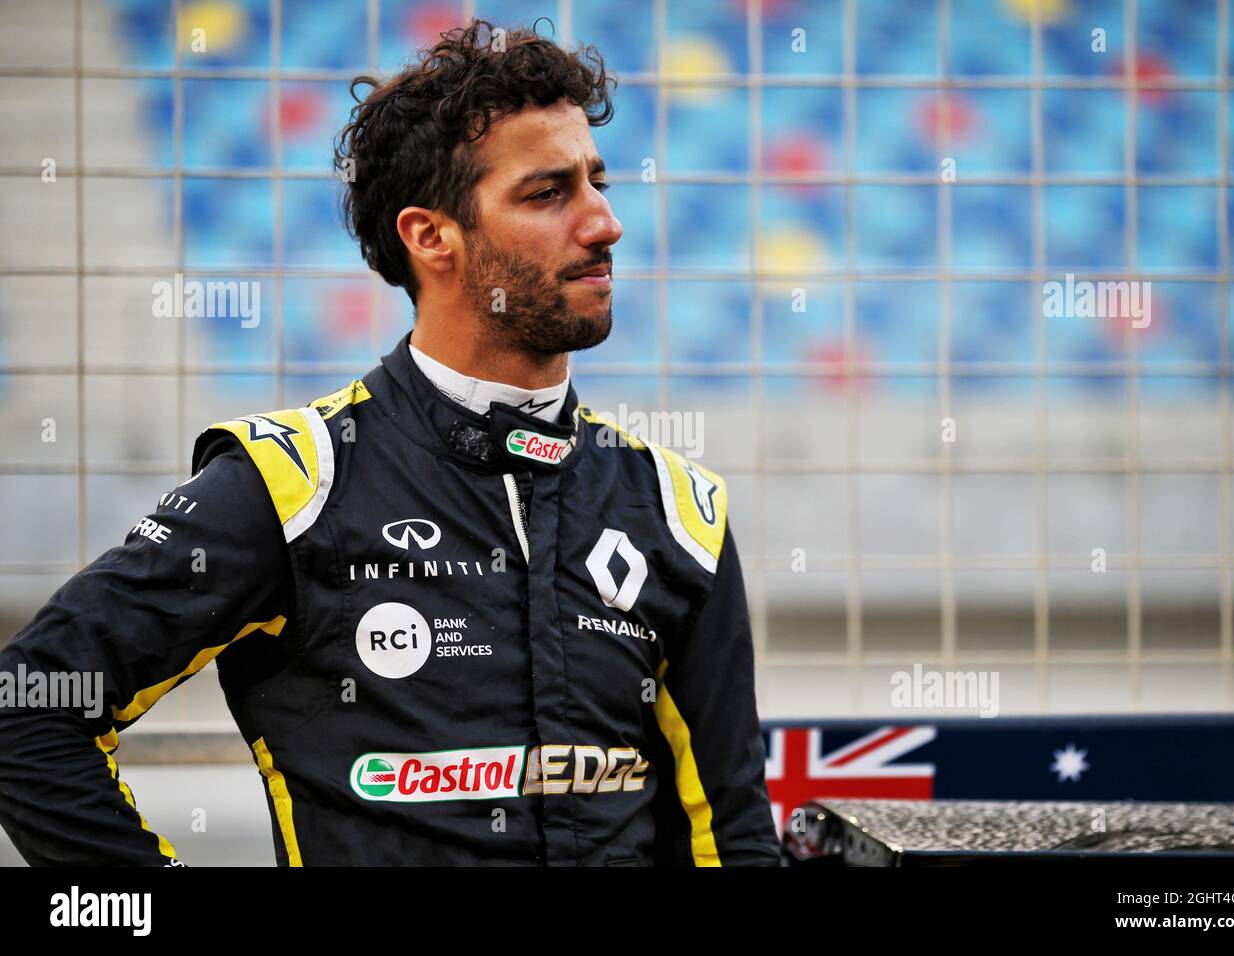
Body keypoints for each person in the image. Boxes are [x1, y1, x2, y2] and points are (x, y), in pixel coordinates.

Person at [0, 18, 779, 867]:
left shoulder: (677, 511)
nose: (605, 223)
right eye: (548, 193)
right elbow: (27, 708)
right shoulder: (294, 484)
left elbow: (733, 835)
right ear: (430, 235)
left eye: (597, 181)